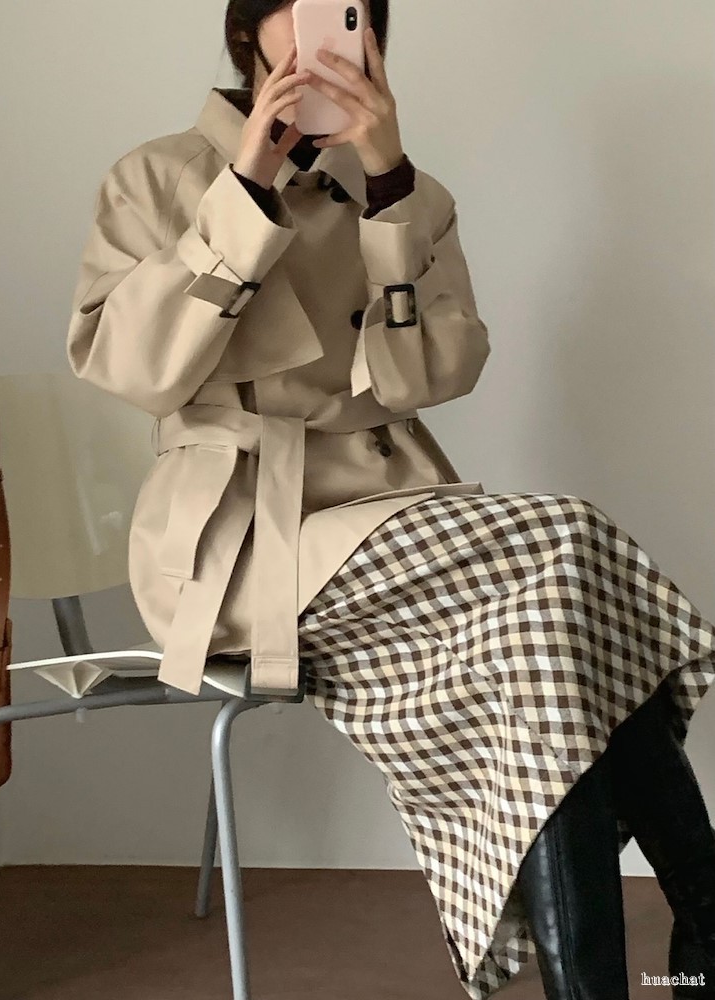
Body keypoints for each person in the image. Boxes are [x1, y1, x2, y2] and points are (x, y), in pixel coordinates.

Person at [64, 1, 715, 996]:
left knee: (544, 636)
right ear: (248, 38)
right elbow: (134, 369)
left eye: (353, 19)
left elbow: (430, 379)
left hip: (389, 519)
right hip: (238, 541)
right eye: (307, 16)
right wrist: (246, 189)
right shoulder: (156, 177)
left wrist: (392, 193)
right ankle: (707, 914)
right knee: (565, 541)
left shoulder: (400, 196)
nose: (334, 44)